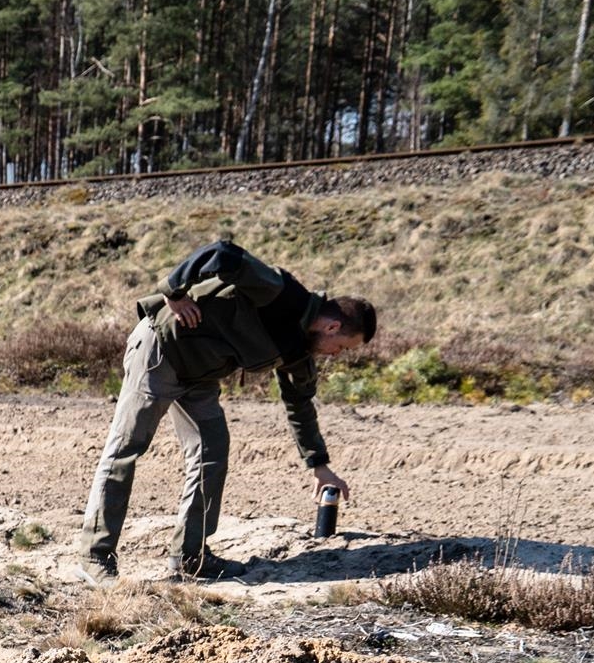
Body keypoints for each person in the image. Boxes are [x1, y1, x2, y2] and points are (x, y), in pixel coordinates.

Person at [77, 240, 377, 581]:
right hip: (161, 349)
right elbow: (223, 253)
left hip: (199, 377)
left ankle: (190, 556)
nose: (336, 355)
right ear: (333, 327)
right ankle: (95, 556)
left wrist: (319, 466)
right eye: (342, 347)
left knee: (212, 452)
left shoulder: (300, 350)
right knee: (126, 448)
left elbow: (300, 405)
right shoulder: (281, 293)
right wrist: (174, 291)